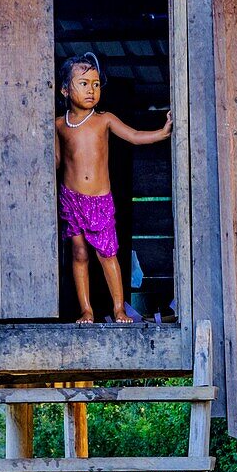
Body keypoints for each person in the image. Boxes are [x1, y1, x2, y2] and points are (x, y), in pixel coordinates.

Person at [55, 51, 172, 324]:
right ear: (64, 89)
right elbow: (57, 161)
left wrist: (161, 133)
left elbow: (133, 136)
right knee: (79, 253)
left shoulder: (103, 120)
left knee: (107, 254)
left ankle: (119, 308)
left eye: (96, 84)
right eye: (83, 84)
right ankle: (87, 310)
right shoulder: (59, 125)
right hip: (71, 199)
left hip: (99, 200)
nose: (91, 90)